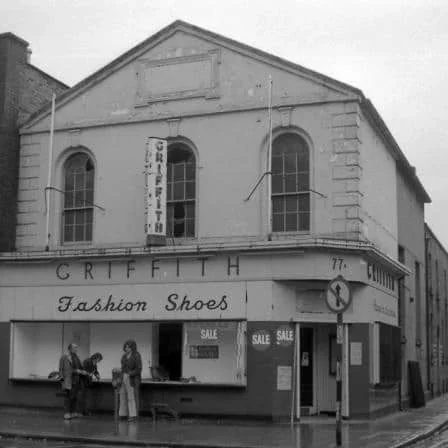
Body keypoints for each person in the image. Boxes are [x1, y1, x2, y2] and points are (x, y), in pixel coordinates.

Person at [58, 343, 87, 420]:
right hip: (68, 380)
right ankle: (67, 413)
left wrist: (83, 371)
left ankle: (73, 412)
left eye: (76, 348)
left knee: (75, 397)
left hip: (77, 380)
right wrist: (62, 380)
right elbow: (61, 369)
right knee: (68, 397)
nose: (76, 349)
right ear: (70, 349)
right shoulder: (64, 357)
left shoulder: (77, 357)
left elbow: (80, 367)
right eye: (74, 348)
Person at [119, 339, 142, 422]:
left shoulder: (136, 355)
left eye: (128, 347)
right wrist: (121, 376)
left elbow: (139, 369)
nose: (126, 349)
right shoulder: (124, 356)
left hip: (133, 379)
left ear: (132, 347)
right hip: (124, 377)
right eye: (125, 347)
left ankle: (133, 415)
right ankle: (123, 414)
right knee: (122, 396)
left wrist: (130, 373)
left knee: (131, 398)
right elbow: (122, 368)